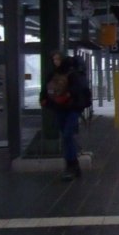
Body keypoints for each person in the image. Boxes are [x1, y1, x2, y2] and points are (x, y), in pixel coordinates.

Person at [39, 50, 91, 181]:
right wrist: (44, 99)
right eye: (54, 59)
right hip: (59, 108)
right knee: (66, 136)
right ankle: (74, 166)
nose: (56, 61)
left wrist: (68, 95)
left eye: (58, 59)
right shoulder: (53, 74)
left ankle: (71, 165)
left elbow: (80, 89)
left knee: (67, 134)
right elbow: (45, 89)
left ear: (63, 59)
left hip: (72, 108)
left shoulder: (73, 73)